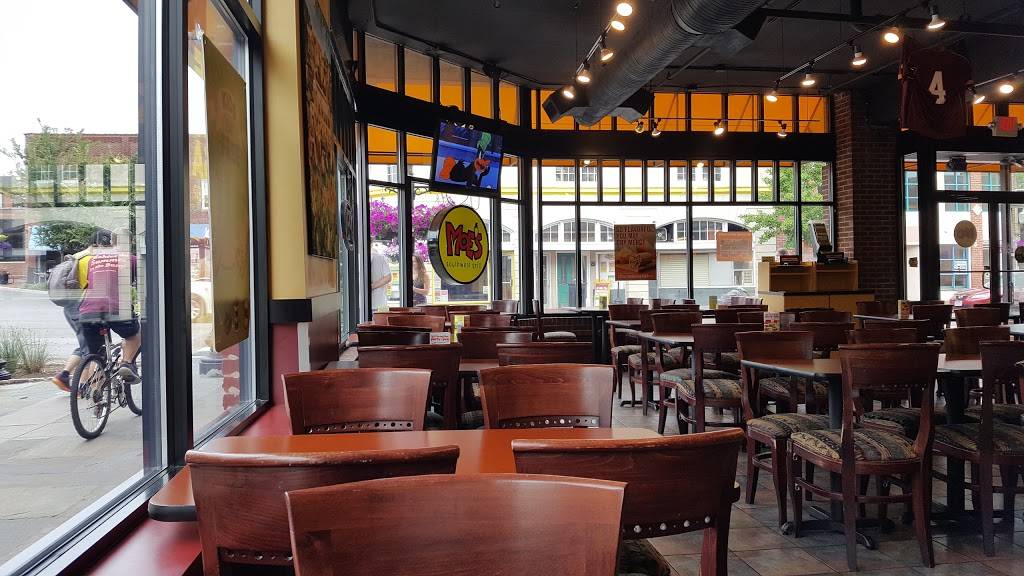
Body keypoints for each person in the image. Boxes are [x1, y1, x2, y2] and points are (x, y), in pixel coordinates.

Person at [79, 228, 141, 380]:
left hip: (88, 311)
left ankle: (95, 391)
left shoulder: (94, 259)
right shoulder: (131, 259)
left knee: (96, 355)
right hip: (116, 308)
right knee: (134, 336)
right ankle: (126, 364)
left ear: (112, 241)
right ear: (131, 242)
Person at [50, 231, 105, 391]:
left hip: (70, 306)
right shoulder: (93, 259)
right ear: (99, 244)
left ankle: (66, 376)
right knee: (92, 348)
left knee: (87, 343)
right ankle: (82, 386)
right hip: (83, 306)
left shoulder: (77, 256)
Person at [370, 243, 392, 311]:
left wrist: (371, 286)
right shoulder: (380, 257)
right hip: (379, 302)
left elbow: (388, 277)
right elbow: (388, 277)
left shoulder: (380, 257)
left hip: (378, 302)